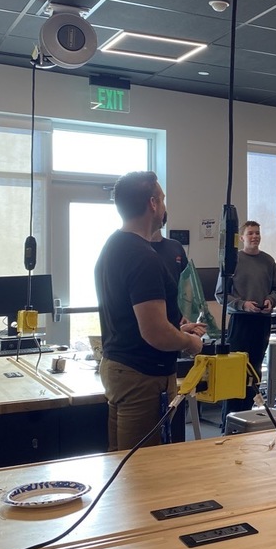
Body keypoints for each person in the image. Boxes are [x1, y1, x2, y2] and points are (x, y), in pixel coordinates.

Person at [95, 171, 206, 451]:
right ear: (153, 203)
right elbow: (155, 333)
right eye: (163, 199)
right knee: (143, 471)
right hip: (142, 377)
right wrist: (191, 343)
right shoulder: (143, 256)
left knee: (121, 461)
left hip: (119, 368)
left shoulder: (112, 246)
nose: (165, 207)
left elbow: (135, 320)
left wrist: (174, 330)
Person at [215, 220, 276, 426]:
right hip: (240, 323)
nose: (255, 237)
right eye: (251, 233)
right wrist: (243, 305)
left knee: (255, 372)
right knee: (236, 374)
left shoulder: (269, 261)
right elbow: (220, 294)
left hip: (262, 323)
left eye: (257, 233)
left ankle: (246, 420)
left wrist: (270, 301)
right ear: (242, 238)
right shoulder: (232, 261)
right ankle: (229, 422)